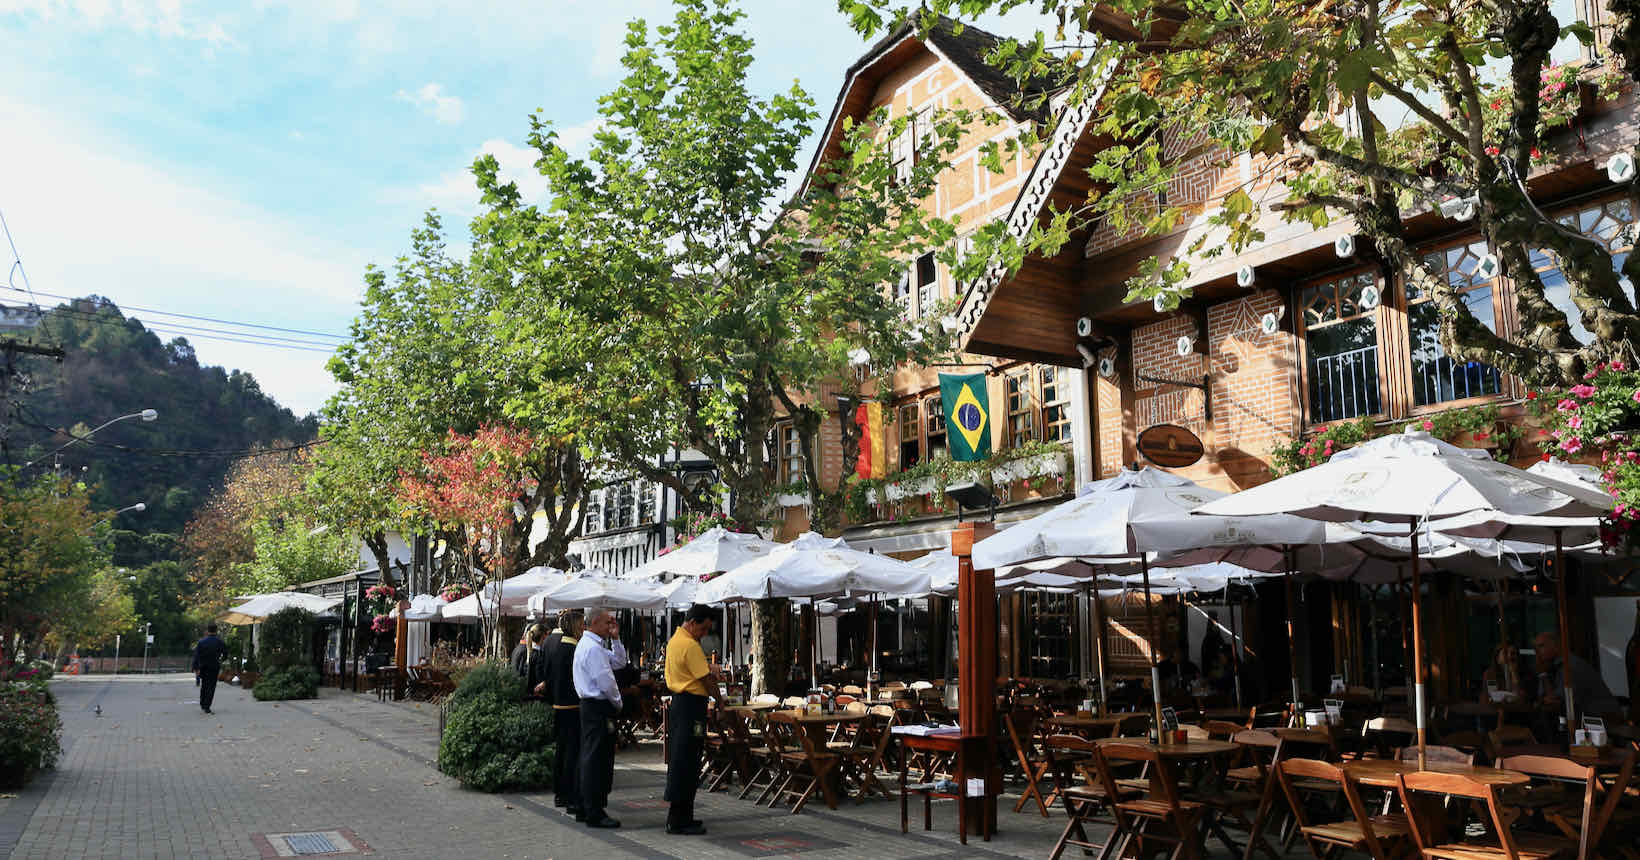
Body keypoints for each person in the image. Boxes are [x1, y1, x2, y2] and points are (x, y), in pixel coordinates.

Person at [663, 604, 724, 835]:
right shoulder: (689, 645)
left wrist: (707, 666)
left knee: (684, 759)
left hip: (680, 703)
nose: (705, 634)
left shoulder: (676, 641)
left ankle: (683, 814)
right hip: (690, 706)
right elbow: (706, 680)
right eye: (704, 629)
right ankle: (678, 819)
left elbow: (695, 669)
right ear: (692, 623)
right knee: (687, 761)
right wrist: (720, 701)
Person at [572, 606, 627, 829]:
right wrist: (618, 702)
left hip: (590, 707)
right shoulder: (592, 649)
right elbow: (606, 680)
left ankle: (585, 806)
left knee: (591, 756)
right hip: (597, 707)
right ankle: (594, 810)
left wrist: (616, 639)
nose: (610, 626)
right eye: (606, 623)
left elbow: (619, 662)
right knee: (598, 759)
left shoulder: (591, 645)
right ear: (594, 623)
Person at [544, 610, 584, 817]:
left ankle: (560, 792)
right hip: (573, 706)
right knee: (572, 753)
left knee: (562, 751)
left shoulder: (555, 645)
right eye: (582, 625)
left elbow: (547, 676)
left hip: (558, 704)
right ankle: (569, 793)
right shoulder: (574, 649)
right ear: (577, 627)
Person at [1535, 630, 1621, 719]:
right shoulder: (1550, 666)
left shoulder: (1571, 665)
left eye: (1541, 646)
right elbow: (1543, 699)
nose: (1537, 652)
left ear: (1556, 646)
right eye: (1535, 648)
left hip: (1602, 719)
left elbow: (1555, 703)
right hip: (1582, 718)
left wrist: (1543, 675)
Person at [191, 624, 229, 714]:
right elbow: (226, 653)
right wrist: (221, 660)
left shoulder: (201, 642)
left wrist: (195, 667)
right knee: (211, 686)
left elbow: (196, 656)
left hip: (203, 666)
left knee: (204, 685)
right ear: (216, 631)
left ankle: (202, 703)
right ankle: (207, 706)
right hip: (214, 666)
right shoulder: (219, 642)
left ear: (207, 631)